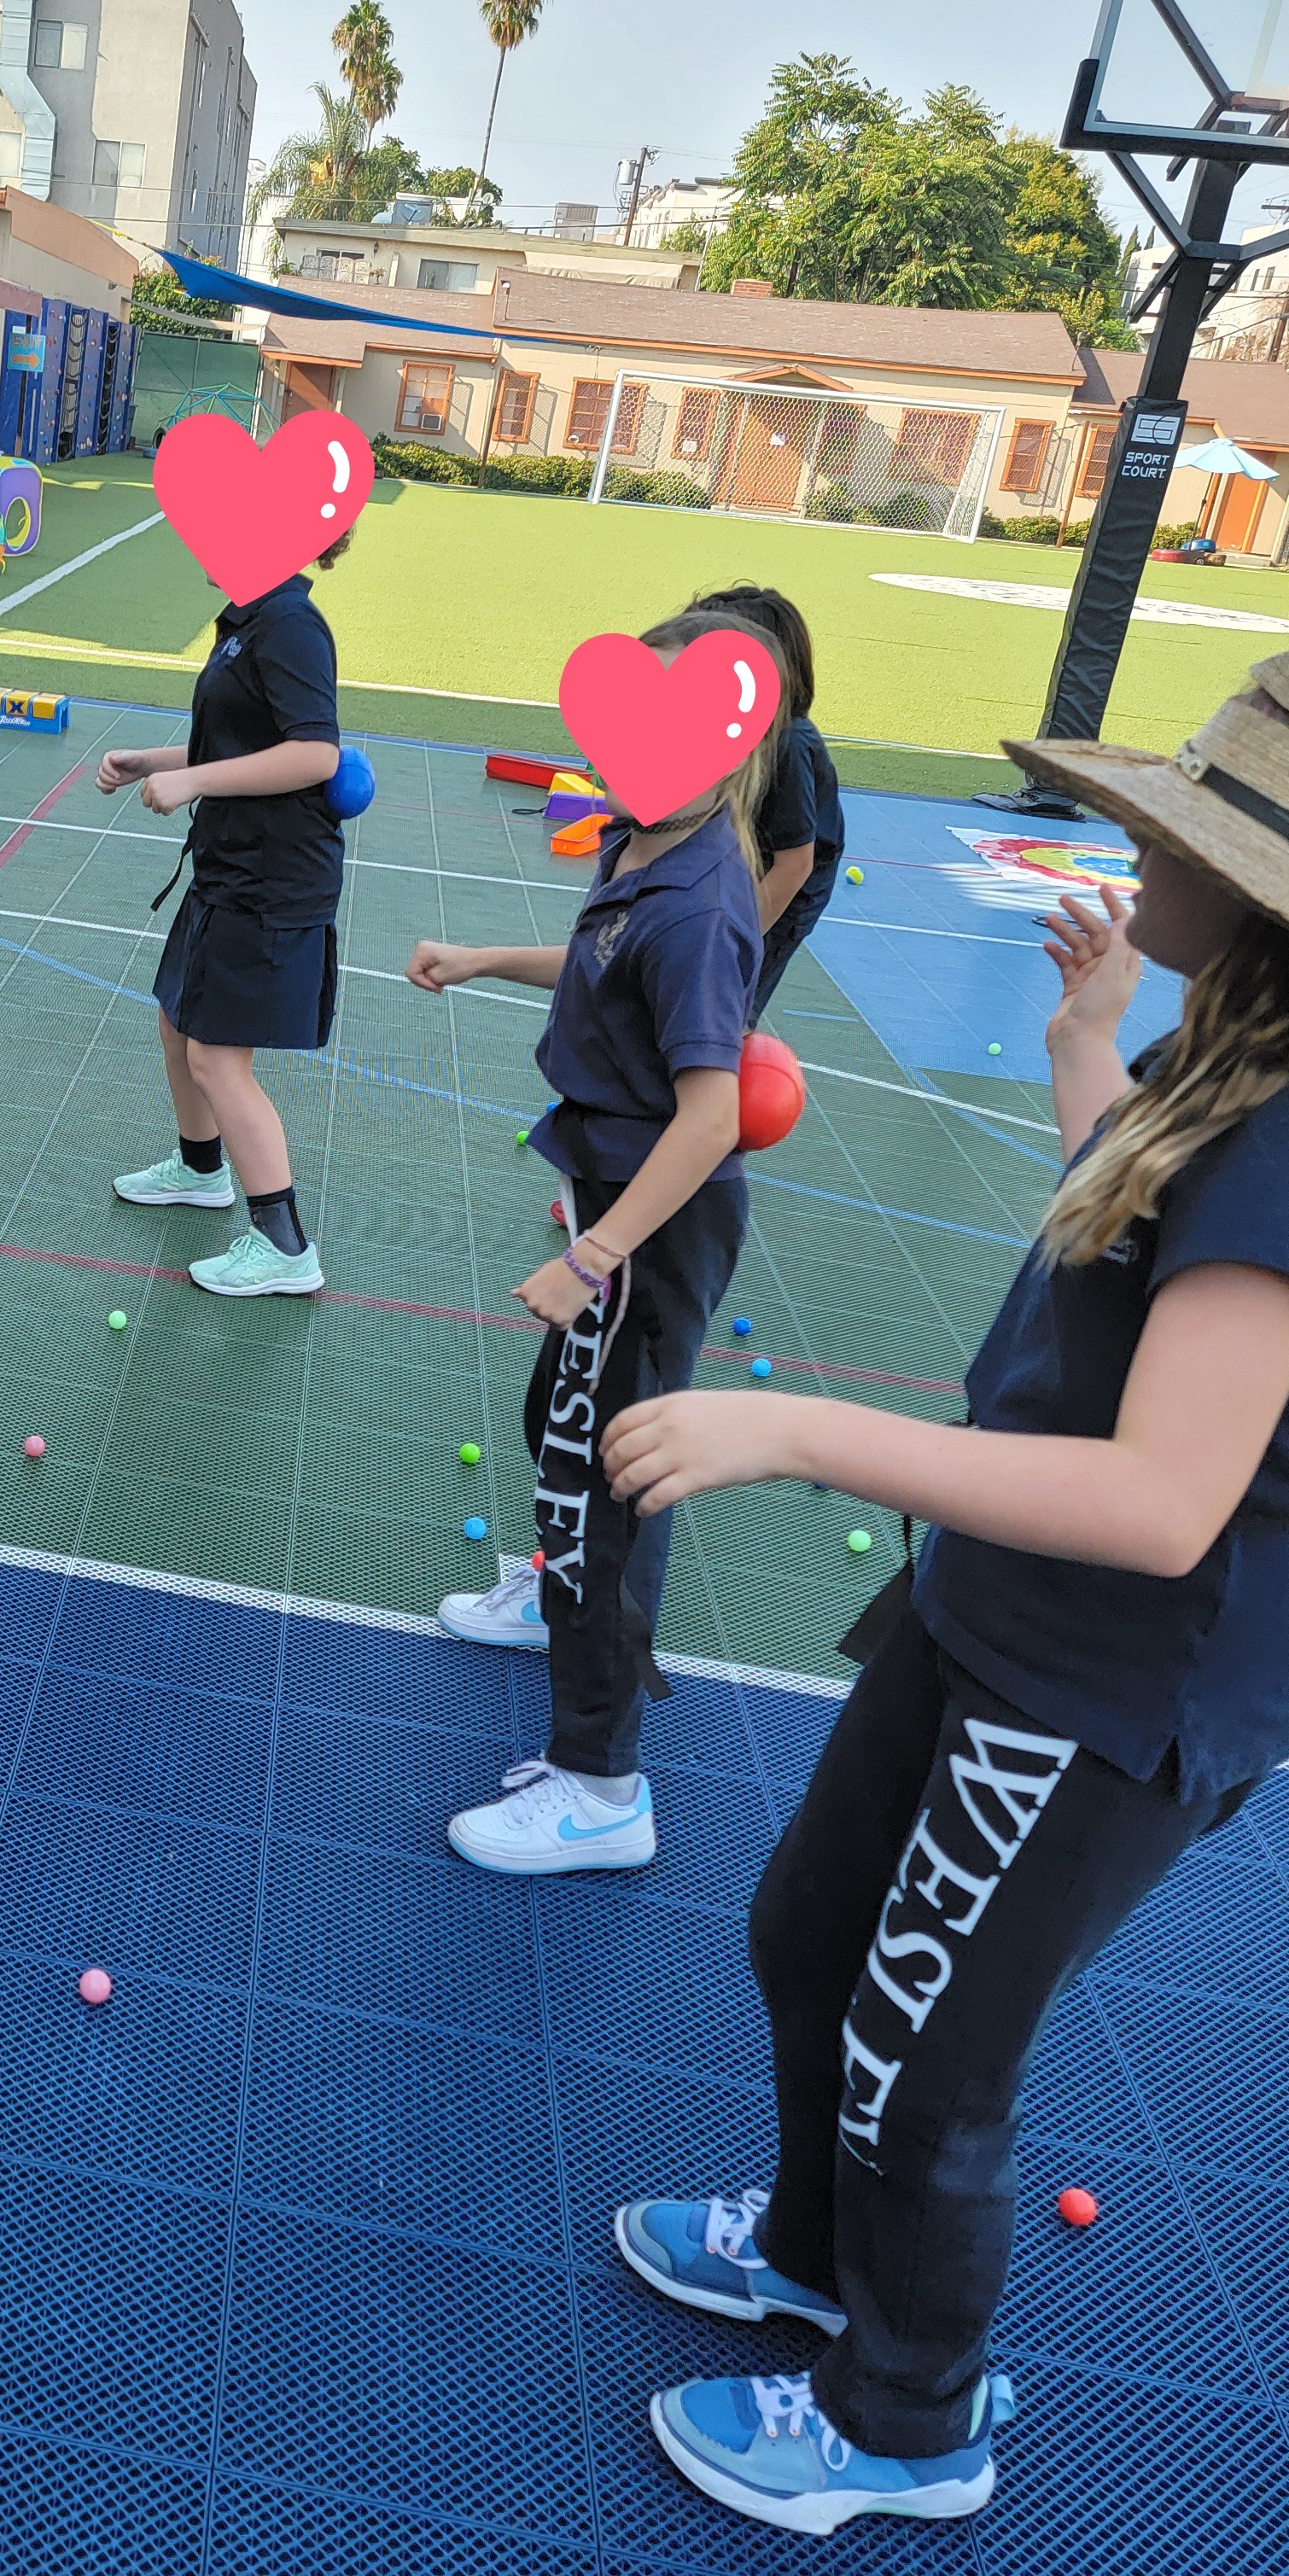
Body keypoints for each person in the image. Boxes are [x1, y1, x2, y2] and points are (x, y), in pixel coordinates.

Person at [598, 644, 1289, 2536]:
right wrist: (1090, 1050)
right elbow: (1133, 1254)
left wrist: (803, 1431)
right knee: (812, 1931)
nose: (1138, 843)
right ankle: (821, 2257)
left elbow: (1166, 1500)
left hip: (1105, 1681)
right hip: (997, 1604)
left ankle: (907, 2418)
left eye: (1182, 832)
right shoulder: (1222, 1066)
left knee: (926, 2054)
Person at [411, 610, 773, 1876]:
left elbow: (711, 1117)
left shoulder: (700, 906)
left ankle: (603, 1788)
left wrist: (593, 1257)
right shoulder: (642, 838)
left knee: (610, 1492)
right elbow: (589, 961)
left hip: (650, 1224)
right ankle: (545, 1583)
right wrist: (480, 958)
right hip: (609, 1197)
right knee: (553, 1426)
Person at [98, 529, 350, 1298]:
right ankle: (201, 1170)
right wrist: (153, 761)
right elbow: (237, 742)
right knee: (178, 1021)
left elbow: (316, 754)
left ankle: (285, 1247)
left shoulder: (291, 625)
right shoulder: (248, 619)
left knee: (216, 1057)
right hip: (228, 867)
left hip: (272, 881)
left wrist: (193, 783)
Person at [691, 581, 846, 1017]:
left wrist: (737, 937)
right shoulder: (734, 724)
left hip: (782, 893)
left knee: (724, 997)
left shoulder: (788, 744)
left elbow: (795, 864)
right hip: (739, 864)